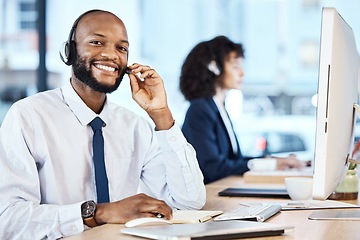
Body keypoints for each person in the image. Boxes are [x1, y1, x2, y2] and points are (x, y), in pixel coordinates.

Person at [0, 9, 206, 239]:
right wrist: (99, 213)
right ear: (69, 51)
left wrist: (162, 116)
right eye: (97, 42)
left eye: (122, 48)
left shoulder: (135, 126)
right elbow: (8, 220)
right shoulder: (28, 116)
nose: (111, 54)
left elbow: (189, 202)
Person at [180, 35, 306, 184]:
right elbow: (212, 168)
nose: (242, 73)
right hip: (209, 196)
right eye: (235, 66)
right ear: (214, 68)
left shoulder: (219, 108)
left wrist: (272, 160)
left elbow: (235, 160)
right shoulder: (199, 109)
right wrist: (270, 164)